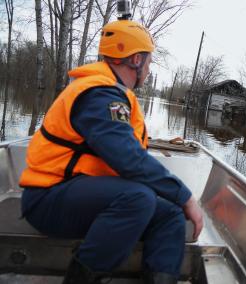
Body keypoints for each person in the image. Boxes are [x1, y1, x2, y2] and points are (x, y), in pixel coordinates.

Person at [19, 19, 203, 284]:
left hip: (84, 191)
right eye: (149, 64)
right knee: (138, 198)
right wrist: (186, 197)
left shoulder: (111, 92)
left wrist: (177, 202)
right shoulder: (98, 95)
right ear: (136, 60)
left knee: (170, 215)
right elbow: (129, 160)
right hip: (48, 198)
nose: (149, 72)